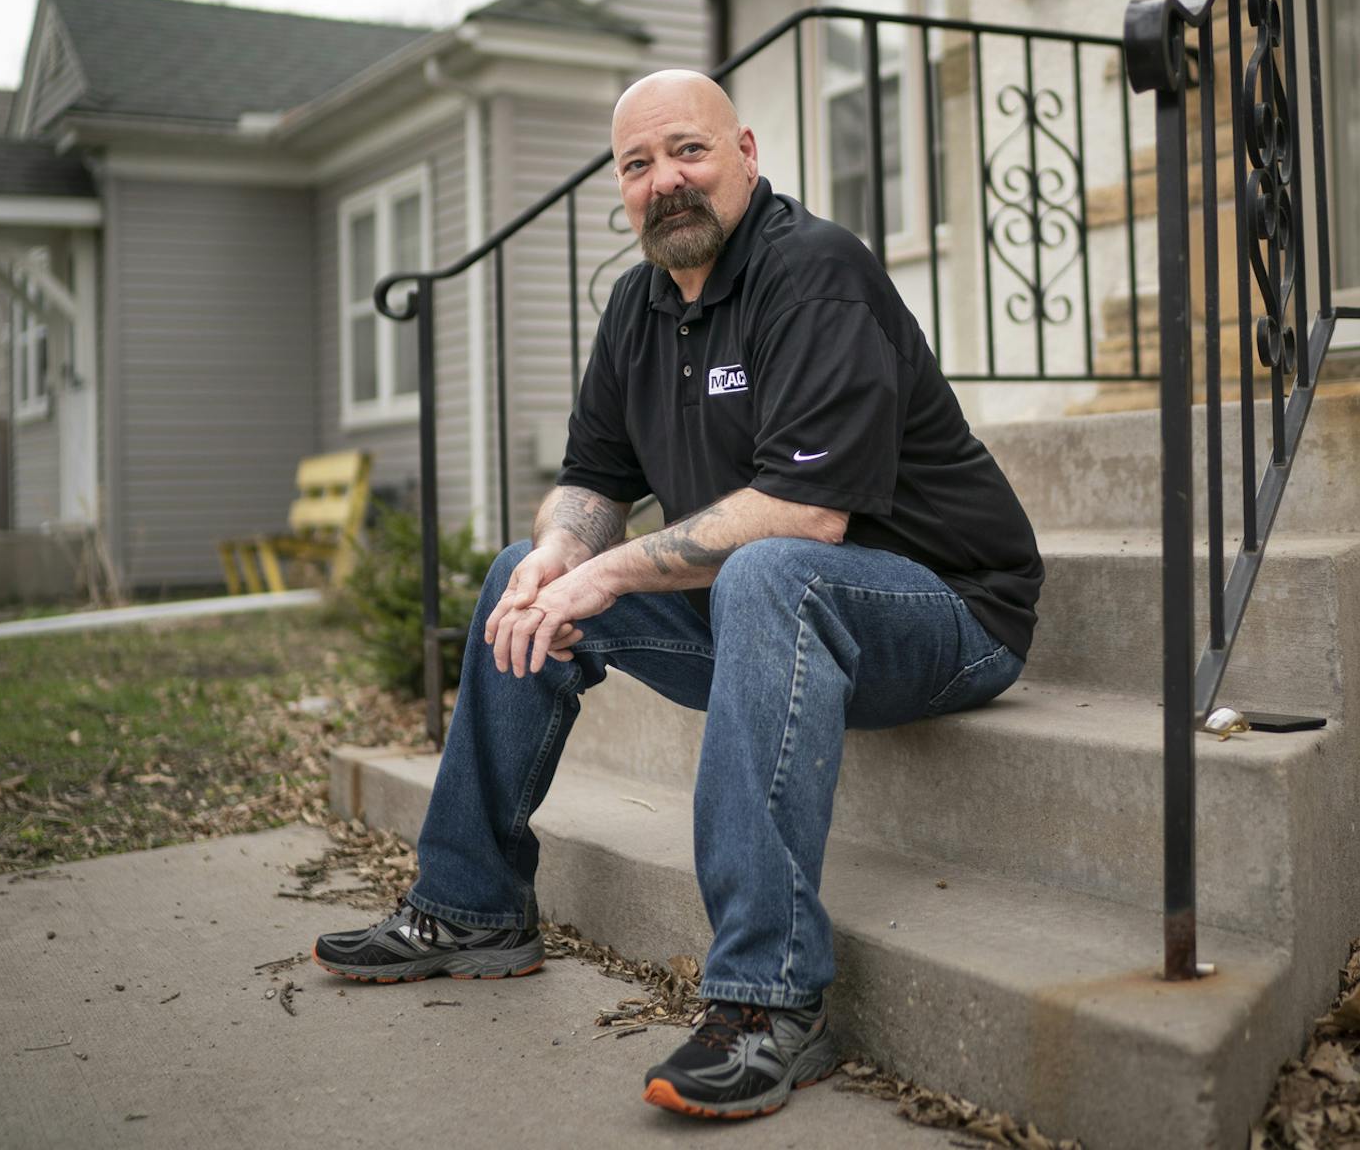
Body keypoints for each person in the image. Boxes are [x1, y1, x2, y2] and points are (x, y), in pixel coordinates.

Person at [312, 70, 1043, 1120]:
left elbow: (806, 517)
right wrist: (560, 551)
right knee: (516, 581)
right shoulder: (638, 305)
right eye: (639, 165)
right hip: (776, 616)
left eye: (689, 152)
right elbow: (595, 482)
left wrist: (605, 569)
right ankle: (470, 906)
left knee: (765, 568)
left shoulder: (815, 272)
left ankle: (767, 1002)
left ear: (746, 151)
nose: (668, 182)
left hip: (952, 612)